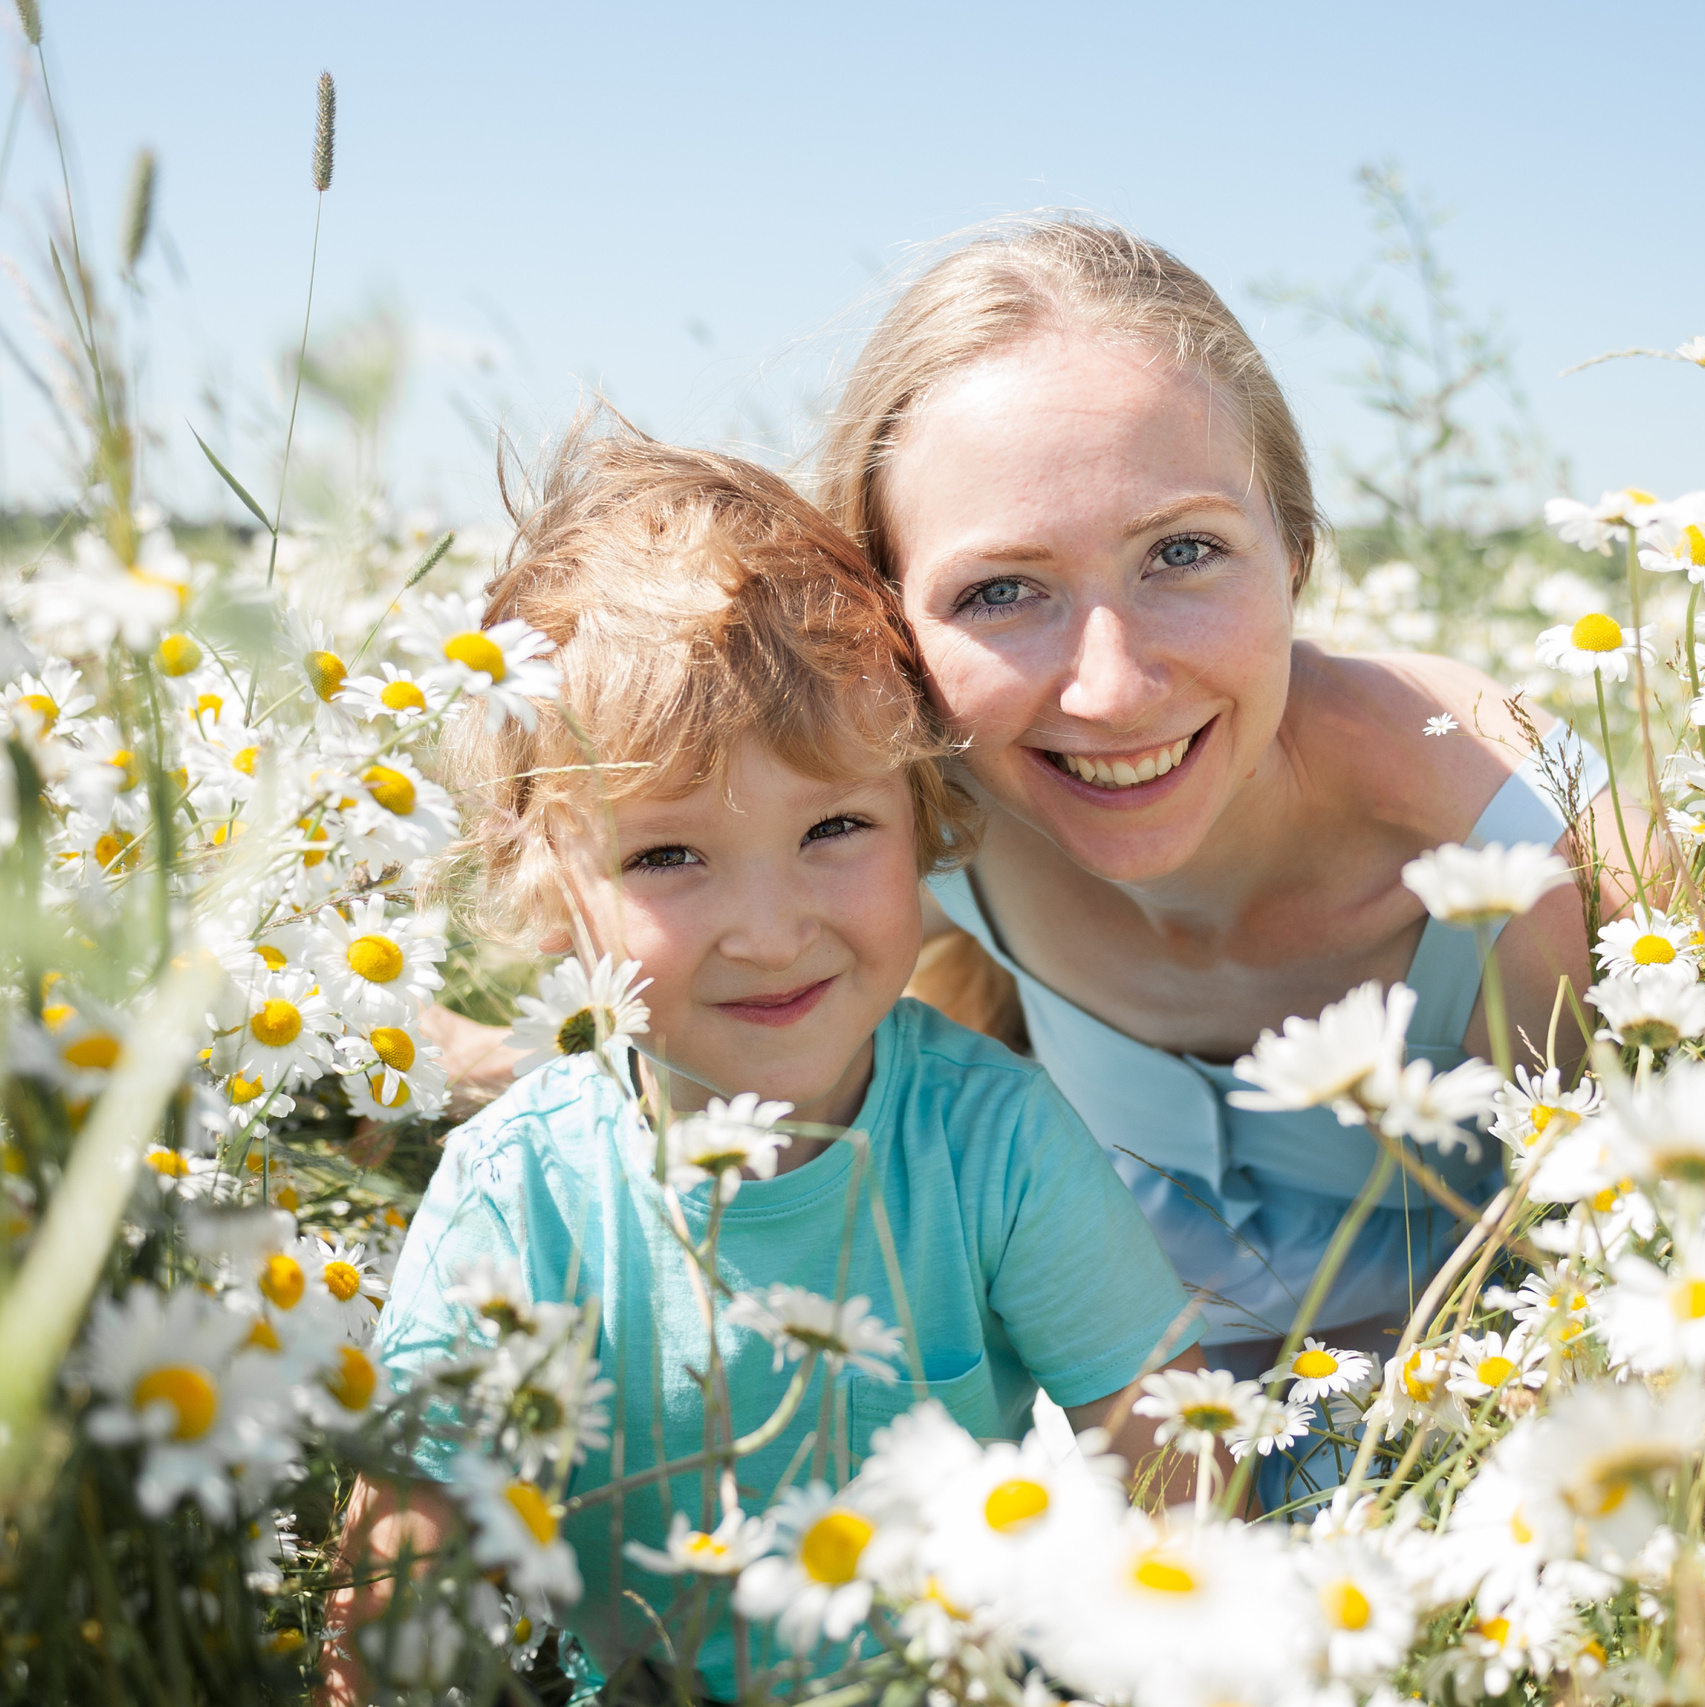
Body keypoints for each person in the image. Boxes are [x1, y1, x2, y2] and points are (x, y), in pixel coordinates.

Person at [329, 427, 1207, 1703]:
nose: (772, 928)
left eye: (835, 827)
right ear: (544, 891)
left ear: (926, 825)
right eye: (667, 858)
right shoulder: (520, 1189)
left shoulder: (994, 1142)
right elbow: (396, 1568)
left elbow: (1171, 1456)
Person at [809, 218, 1618, 1501]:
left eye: (1183, 552)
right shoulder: (911, 814)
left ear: (1295, 551)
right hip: (1086, 1446)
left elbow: (1641, 1289)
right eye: (1000, 593)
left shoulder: (1507, 832)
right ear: (891, 622)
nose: (1115, 687)